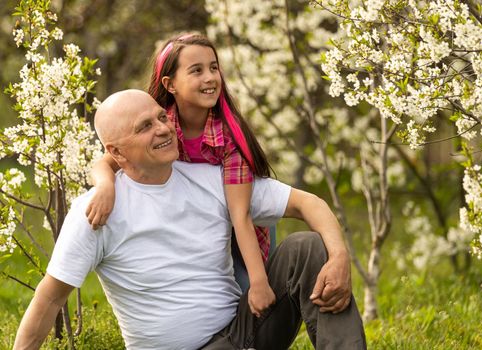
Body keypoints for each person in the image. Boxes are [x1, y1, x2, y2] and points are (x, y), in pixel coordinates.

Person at [13, 90, 366, 350]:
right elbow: (50, 298)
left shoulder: (209, 179)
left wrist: (339, 257)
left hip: (243, 333)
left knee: (306, 247)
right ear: (116, 152)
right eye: (145, 127)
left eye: (161, 118)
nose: (163, 129)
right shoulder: (98, 210)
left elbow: (308, 203)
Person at [86, 33, 274, 317]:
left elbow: (241, 216)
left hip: (243, 224)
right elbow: (107, 161)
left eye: (214, 67)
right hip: (200, 222)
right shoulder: (159, 125)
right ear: (169, 84)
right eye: (196, 70)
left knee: (250, 294)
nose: (210, 77)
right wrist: (105, 186)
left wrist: (259, 282)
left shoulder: (229, 138)